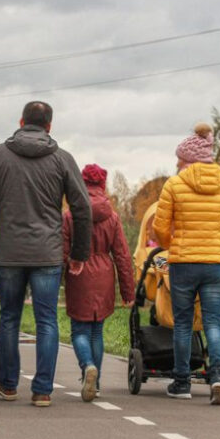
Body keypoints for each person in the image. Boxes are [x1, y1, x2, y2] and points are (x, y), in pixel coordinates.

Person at [0, 101, 92, 407]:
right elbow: (82, 208)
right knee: (47, 321)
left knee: (9, 317)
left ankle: (9, 385)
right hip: (47, 253)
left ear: (21, 121)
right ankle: (42, 390)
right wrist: (79, 253)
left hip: (9, 253)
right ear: (49, 126)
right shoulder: (63, 159)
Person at [153, 123, 220, 405]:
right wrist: (217, 243)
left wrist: (173, 243)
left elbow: (159, 227)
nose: (177, 162)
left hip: (183, 263)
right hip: (215, 264)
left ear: (189, 159)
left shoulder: (175, 184)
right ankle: (218, 378)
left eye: (180, 158)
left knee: (182, 323)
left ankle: (182, 383)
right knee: (213, 322)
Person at [63, 164, 135, 402]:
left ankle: (87, 367)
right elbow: (123, 255)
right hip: (104, 275)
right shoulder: (112, 218)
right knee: (96, 331)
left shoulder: (70, 215)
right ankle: (97, 381)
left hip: (79, 274)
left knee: (78, 330)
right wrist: (127, 290)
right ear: (103, 186)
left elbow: (62, 251)